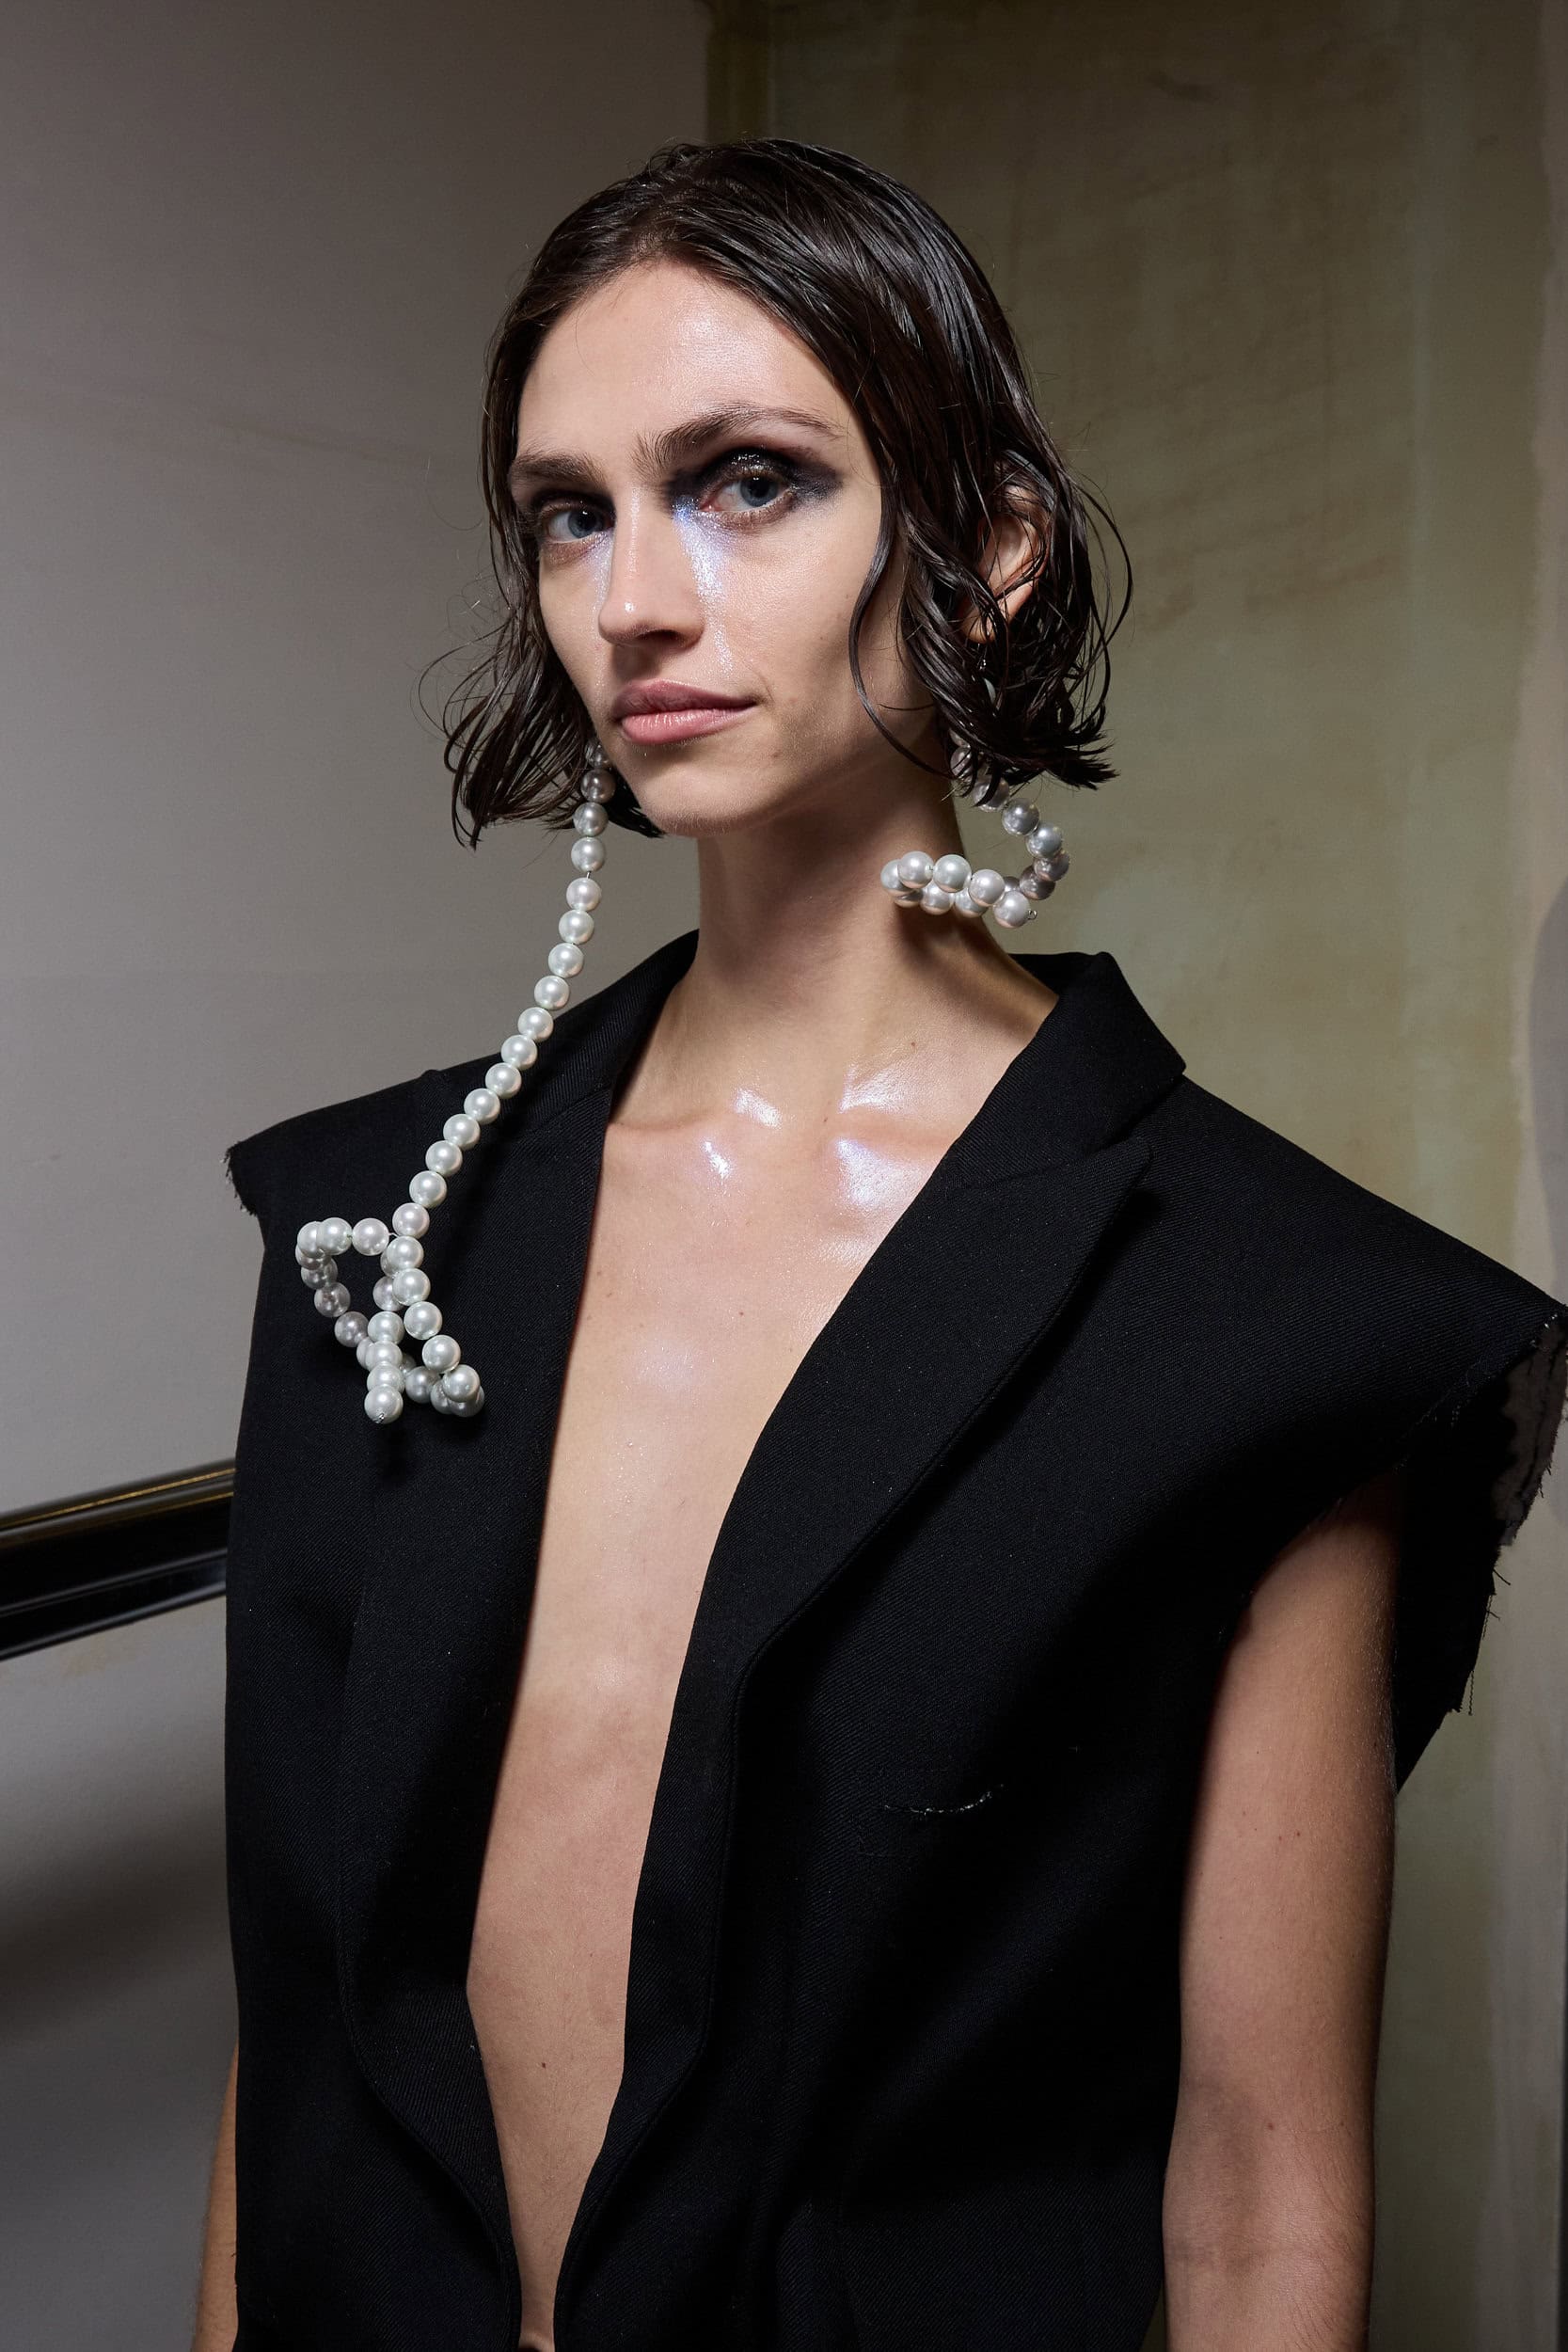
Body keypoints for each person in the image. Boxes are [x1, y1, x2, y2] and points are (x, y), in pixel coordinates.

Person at [195, 139, 1567, 2352]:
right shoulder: (378, 1231)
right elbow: (298, 2026)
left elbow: (1255, 2186)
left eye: (746, 482)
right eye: (570, 510)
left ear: (990, 546)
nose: (636, 597)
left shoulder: (1272, 1322)